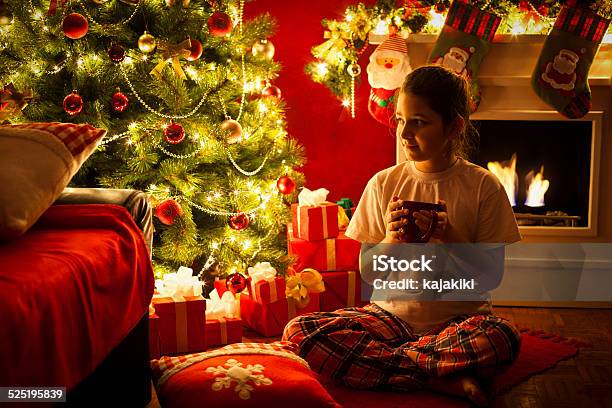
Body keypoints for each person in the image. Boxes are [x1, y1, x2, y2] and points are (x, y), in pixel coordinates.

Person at [282, 65, 522, 407]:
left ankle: (397, 364)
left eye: (419, 122)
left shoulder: (483, 186)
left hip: (459, 322)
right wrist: (392, 241)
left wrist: (449, 235)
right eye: (400, 120)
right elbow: (369, 271)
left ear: (454, 126)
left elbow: (490, 275)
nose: (404, 133)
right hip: (390, 317)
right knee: (299, 331)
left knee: (503, 338)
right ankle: (439, 375)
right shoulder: (383, 184)